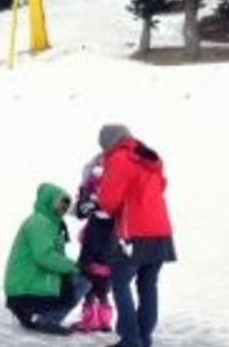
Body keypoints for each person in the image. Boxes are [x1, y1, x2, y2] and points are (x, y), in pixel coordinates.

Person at [96, 125, 176, 347]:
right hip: (161, 231)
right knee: (148, 285)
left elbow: (109, 200)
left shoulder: (119, 158)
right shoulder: (147, 155)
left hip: (134, 233)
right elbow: (162, 185)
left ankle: (131, 340)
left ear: (109, 142)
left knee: (120, 282)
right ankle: (144, 338)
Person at [4, 183, 90, 336]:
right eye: (60, 202)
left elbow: (53, 256)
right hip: (25, 287)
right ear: (48, 201)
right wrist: (74, 267)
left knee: (75, 279)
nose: (63, 207)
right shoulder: (39, 223)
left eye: (66, 203)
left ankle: (28, 312)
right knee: (82, 281)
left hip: (29, 284)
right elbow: (44, 256)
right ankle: (46, 318)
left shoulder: (50, 223)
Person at [71, 154, 115, 332]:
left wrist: (85, 198)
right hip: (112, 236)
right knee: (104, 281)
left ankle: (89, 320)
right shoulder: (119, 181)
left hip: (96, 235)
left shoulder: (92, 180)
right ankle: (104, 320)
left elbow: (82, 210)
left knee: (87, 276)